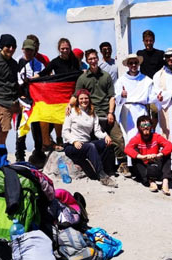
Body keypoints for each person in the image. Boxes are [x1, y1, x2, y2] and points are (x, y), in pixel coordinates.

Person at [72, 49, 131, 178]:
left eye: (94, 58)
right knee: (94, 142)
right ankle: (97, 167)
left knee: (118, 138)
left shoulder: (106, 76)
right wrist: (68, 106)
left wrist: (111, 112)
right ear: (87, 61)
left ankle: (122, 163)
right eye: (90, 59)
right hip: (91, 114)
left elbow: (111, 97)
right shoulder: (82, 78)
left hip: (106, 112)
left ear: (98, 59)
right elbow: (76, 96)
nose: (93, 61)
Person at [62, 89, 117, 187]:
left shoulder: (92, 113)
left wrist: (106, 136)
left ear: (89, 99)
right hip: (71, 145)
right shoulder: (71, 112)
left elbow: (97, 131)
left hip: (85, 144)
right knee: (91, 146)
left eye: (86, 98)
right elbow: (65, 132)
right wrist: (74, 141)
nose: (84, 100)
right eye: (81, 98)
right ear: (78, 100)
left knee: (106, 143)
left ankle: (103, 169)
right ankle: (102, 176)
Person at [38, 38, 81, 150]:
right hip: (59, 95)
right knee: (58, 117)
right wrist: (32, 79)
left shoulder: (74, 61)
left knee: (72, 118)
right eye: (62, 48)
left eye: (67, 48)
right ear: (59, 49)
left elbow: (77, 75)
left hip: (72, 94)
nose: (65, 50)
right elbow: (44, 73)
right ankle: (59, 138)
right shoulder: (55, 62)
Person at [124, 115, 172, 195]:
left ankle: (165, 181)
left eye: (148, 125)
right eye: (143, 125)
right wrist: (141, 157)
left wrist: (159, 154)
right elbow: (127, 149)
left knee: (166, 153)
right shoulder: (137, 138)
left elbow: (170, 145)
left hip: (156, 164)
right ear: (139, 127)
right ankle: (151, 181)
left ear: (151, 126)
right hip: (144, 168)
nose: (145, 127)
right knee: (134, 153)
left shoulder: (156, 136)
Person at [115, 53, 158, 145]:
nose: (133, 65)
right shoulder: (121, 81)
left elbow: (151, 97)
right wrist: (122, 95)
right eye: (131, 63)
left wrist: (158, 97)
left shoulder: (146, 80)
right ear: (127, 65)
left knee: (142, 136)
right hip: (127, 111)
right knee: (129, 138)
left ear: (138, 64)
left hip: (141, 110)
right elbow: (116, 98)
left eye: (135, 63)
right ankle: (131, 159)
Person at [15, 38, 45, 162]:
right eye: (26, 49)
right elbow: (12, 80)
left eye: (31, 50)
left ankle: (38, 152)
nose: (28, 52)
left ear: (34, 51)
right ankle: (20, 155)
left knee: (36, 127)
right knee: (21, 126)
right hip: (21, 99)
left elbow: (43, 80)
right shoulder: (16, 62)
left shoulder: (39, 64)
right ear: (23, 49)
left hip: (35, 99)